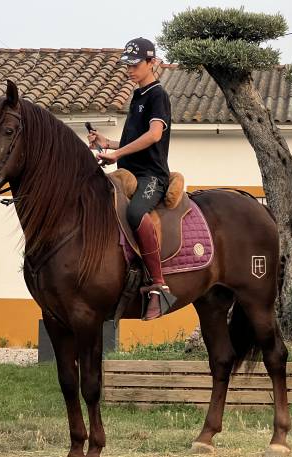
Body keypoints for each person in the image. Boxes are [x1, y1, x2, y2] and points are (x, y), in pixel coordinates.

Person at [88, 37, 173, 320]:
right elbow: (131, 139)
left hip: (152, 177)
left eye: (135, 64)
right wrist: (108, 143)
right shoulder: (137, 96)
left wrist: (118, 153)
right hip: (128, 174)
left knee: (136, 212)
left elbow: (154, 136)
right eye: (127, 65)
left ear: (152, 63)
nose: (129, 70)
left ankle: (158, 284)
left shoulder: (157, 95)